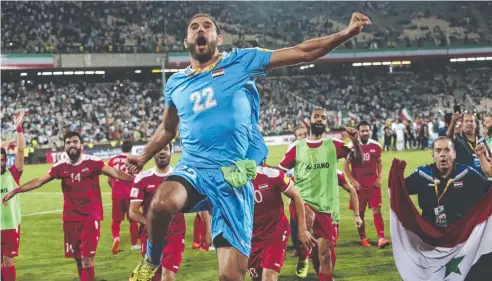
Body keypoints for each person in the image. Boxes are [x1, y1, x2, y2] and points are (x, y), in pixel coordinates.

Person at [126, 12, 371, 281]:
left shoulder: (242, 61)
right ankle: (152, 258)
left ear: (218, 38)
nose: (201, 29)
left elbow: (303, 52)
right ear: (186, 40)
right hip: (194, 169)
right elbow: (168, 129)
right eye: (194, 27)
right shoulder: (176, 83)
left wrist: (346, 34)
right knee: (161, 202)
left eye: (207, 26)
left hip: (234, 177)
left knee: (230, 277)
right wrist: (143, 155)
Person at [2, 131, 134, 281]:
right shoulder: (60, 166)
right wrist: (16, 190)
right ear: (64, 146)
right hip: (70, 219)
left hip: (90, 218)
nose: (72, 145)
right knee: (78, 259)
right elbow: (39, 181)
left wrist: (136, 180)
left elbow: (116, 173)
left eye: (75, 142)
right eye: (68, 143)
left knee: (87, 260)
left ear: (81, 145)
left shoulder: (93, 162)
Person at [279, 108, 363, 280]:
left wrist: (356, 142)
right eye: (316, 116)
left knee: (325, 256)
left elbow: (357, 159)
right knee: (308, 219)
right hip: (303, 202)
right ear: (310, 120)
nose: (319, 119)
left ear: (326, 123)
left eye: (323, 118)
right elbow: (280, 173)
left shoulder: (334, 145)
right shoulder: (297, 147)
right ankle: (303, 256)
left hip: (327, 208)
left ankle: (315, 265)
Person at [129, 144, 187, 281]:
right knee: (150, 276)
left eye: (166, 149)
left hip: (175, 234)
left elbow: (198, 204)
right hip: (150, 236)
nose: (162, 152)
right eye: (159, 149)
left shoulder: (181, 178)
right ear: (153, 153)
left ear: (171, 152)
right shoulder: (142, 178)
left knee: (168, 276)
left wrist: (207, 228)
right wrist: (152, 224)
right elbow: (133, 212)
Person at [248, 164, 315, 281]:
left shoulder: (272, 174)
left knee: (269, 275)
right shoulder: (234, 180)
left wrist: (302, 229)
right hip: (251, 239)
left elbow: (296, 195)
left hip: (276, 233)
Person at [405, 136, 489, 227]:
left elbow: (488, 191)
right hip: (430, 233)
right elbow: (399, 189)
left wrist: (482, 158)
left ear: (454, 154)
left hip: (460, 233)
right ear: (433, 155)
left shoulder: (466, 173)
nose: (442, 154)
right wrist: (395, 175)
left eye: (447, 150)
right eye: (438, 150)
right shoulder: (422, 174)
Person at [344, 121, 391, 248]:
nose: (365, 133)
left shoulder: (376, 145)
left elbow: (379, 162)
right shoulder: (351, 146)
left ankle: (381, 238)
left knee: (377, 210)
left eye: (367, 130)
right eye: (362, 131)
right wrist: (352, 181)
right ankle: (363, 238)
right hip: (359, 186)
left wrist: (380, 176)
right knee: (360, 212)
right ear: (358, 132)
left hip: (373, 184)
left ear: (370, 131)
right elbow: (345, 166)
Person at [1, 111, 25, 281]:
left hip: (9, 225)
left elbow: (21, 152)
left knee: (8, 261)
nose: (0, 162)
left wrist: (18, 128)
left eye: (2, 159)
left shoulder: (12, 174)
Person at [108, 140, 140, 254]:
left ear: (121, 148)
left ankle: (116, 238)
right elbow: (137, 178)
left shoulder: (112, 160)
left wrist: (115, 189)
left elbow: (109, 179)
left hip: (117, 194)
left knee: (116, 220)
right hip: (130, 194)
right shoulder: (134, 160)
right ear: (131, 149)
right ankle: (134, 244)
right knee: (133, 219)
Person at [288, 124, 308, 257]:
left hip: (311, 192)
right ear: (295, 137)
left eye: (304, 134)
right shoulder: (292, 150)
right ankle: (297, 247)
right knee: (295, 221)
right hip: (296, 190)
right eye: (300, 135)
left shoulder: (313, 148)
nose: (303, 137)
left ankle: (308, 247)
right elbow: (287, 170)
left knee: (310, 220)